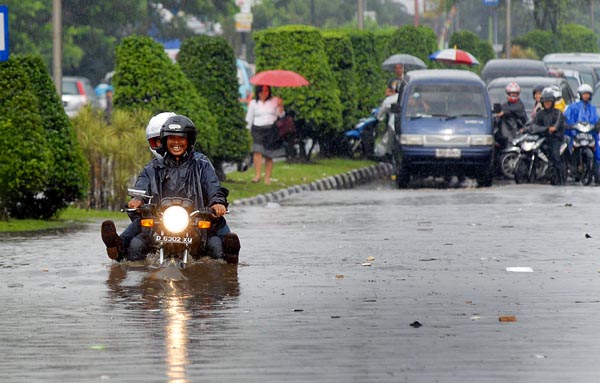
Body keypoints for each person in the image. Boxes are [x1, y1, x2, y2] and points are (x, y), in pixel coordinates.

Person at [101, 114, 241, 263]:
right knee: (136, 243)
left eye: (181, 138)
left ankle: (231, 258)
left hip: (196, 222)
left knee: (217, 244)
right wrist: (137, 199)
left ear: (189, 140)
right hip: (160, 223)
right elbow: (142, 184)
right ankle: (116, 248)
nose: (176, 142)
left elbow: (213, 186)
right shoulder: (153, 167)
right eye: (172, 138)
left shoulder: (202, 164)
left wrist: (217, 203)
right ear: (164, 140)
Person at [245, 85, 285, 185]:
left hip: (271, 129)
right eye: (262, 91)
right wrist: (247, 130)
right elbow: (249, 118)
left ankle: (267, 178)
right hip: (257, 129)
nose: (264, 93)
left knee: (269, 154)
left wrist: (280, 106)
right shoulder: (253, 103)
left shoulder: (274, 101)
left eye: (266, 91)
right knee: (257, 152)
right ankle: (257, 175)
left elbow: (281, 115)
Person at [530, 88, 566, 185]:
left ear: (552, 102)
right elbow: (534, 126)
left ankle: (560, 178)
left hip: (555, 139)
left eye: (549, 101)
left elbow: (556, 126)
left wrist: (552, 129)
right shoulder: (539, 114)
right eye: (545, 102)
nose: (547, 103)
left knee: (555, 156)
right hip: (542, 138)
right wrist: (544, 129)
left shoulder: (558, 112)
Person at [563, 83, 600, 179]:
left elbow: (596, 119)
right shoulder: (573, 107)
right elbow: (567, 117)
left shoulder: (592, 108)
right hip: (575, 134)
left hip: (589, 134)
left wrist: (597, 126)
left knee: (596, 150)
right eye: (584, 94)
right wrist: (569, 125)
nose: (586, 96)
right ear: (580, 94)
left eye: (588, 94)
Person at [495, 82, 528, 147]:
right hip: (505, 133)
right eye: (512, 94)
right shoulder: (504, 105)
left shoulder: (520, 105)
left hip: (518, 132)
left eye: (515, 94)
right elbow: (498, 114)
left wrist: (504, 113)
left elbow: (515, 111)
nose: (513, 95)